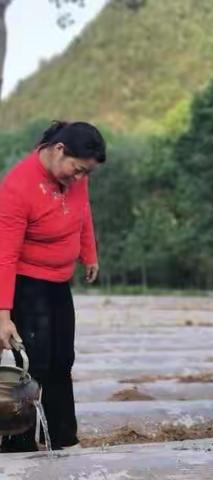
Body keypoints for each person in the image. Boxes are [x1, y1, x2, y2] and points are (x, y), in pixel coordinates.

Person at [0, 121, 106, 452]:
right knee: (34, 364)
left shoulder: (76, 178)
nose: (79, 179)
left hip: (59, 282)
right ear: (59, 150)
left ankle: (62, 438)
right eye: (77, 170)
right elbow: (4, 255)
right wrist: (3, 315)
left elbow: (82, 213)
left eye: (85, 173)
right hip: (27, 284)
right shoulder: (18, 187)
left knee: (63, 360)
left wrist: (89, 252)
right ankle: (18, 443)